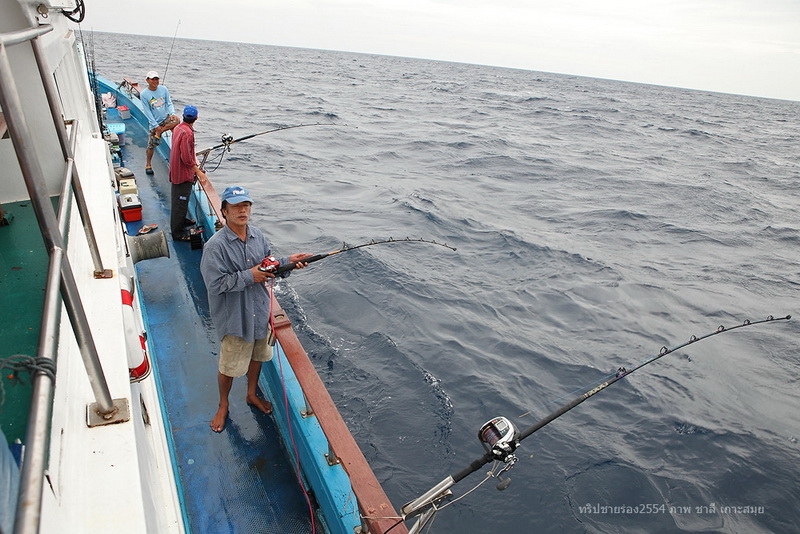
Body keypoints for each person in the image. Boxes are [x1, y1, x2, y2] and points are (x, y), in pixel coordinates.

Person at [200, 186, 309, 432]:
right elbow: (215, 285)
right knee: (228, 366)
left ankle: (251, 394)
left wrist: (288, 263)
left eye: (246, 205)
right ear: (224, 211)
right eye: (236, 206)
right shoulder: (214, 247)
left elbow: (268, 266)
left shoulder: (258, 236)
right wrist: (250, 276)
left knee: (258, 356)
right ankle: (223, 404)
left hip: (260, 312)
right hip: (234, 319)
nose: (242, 210)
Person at [169, 105, 207, 241]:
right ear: (196, 118)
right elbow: (186, 158)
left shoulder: (178, 128)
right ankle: (177, 233)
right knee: (180, 202)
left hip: (175, 171)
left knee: (179, 201)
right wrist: (198, 172)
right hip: (182, 175)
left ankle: (182, 221)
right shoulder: (188, 133)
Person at [140, 70, 179, 175]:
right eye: (153, 79)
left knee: (177, 121)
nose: (155, 81)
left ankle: (160, 132)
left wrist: (172, 113)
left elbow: (169, 102)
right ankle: (148, 164)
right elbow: (147, 112)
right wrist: (155, 126)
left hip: (165, 119)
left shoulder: (164, 89)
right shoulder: (144, 94)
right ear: (147, 80)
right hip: (154, 122)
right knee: (151, 145)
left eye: (157, 79)